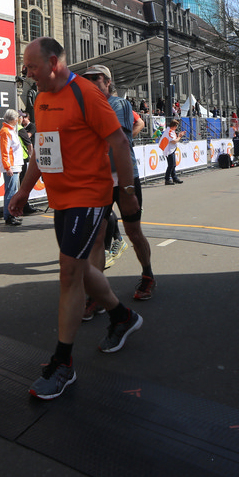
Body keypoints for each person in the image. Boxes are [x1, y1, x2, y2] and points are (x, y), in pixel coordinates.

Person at [8, 38, 143, 400]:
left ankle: (63, 363)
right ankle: (122, 317)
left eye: (32, 66)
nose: (27, 73)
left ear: (54, 62)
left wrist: (127, 192)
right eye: (26, 67)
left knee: (68, 272)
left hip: (90, 196)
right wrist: (23, 191)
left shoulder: (86, 94)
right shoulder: (41, 98)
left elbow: (119, 143)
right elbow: (43, 150)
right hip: (61, 199)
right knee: (80, 270)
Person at [80, 65, 157, 301]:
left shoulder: (118, 104)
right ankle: (97, 294)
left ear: (108, 82)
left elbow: (114, 139)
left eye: (96, 78)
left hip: (123, 178)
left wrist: (129, 189)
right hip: (98, 181)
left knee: (133, 232)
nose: (91, 82)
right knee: (97, 238)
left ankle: (147, 274)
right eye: (86, 79)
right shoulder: (83, 107)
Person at [0, 109, 23, 226]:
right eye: (17, 118)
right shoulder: (6, 131)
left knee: (13, 191)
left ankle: (12, 215)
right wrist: (8, 167)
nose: (18, 119)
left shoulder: (9, 130)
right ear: (12, 119)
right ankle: (9, 216)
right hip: (11, 166)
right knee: (11, 192)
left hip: (14, 165)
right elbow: (5, 151)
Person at [160, 119, 183, 185]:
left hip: (171, 150)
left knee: (173, 165)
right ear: (174, 126)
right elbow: (174, 141)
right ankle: (167, 179)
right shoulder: (170, 132)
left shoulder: (170, 131)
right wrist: (180, 137)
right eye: (176, 126)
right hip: (169, 150)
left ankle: (174, 178)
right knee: (171, 165)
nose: (177, 127)